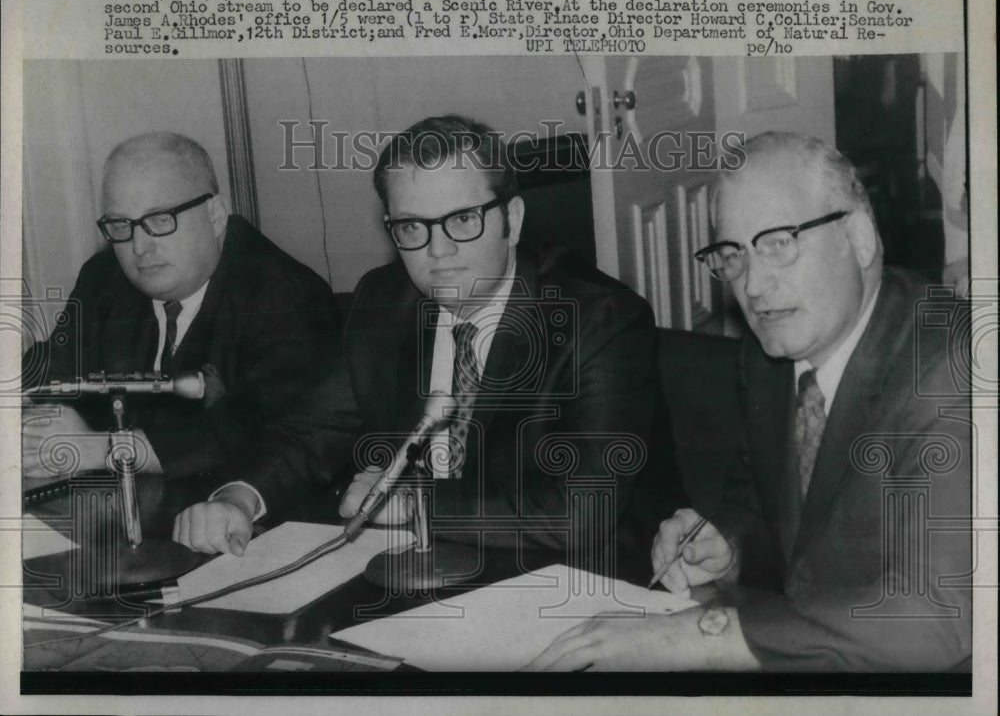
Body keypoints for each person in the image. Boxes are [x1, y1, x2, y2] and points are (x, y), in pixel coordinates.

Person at [527, 132, 972, 672]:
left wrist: (703, 634)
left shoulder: (951, 368)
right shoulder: (767, 361)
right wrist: (725, 546)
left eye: (780, 242)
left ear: (858, 236)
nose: (754, 285)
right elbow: (773, 520)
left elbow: (935, 617)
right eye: (733, 254)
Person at [173, 115, 682, 573]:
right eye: (412, 227)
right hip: (420, 571)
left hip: (575, 579)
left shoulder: (599, 318)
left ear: (514, 220)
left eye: (463, 220)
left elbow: (582, 508)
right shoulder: (383, 301)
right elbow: (310, 429)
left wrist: (414, 502)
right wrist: (238, 498)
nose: (438, 251)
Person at [22, 132, 342, 481]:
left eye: (160, 220)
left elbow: (258, 431)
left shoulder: (289, 297)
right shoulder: (104, 279)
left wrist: (107, 448)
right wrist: (37, 415)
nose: (140, 246)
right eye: (120, 225)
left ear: (216, 215)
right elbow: (51, 370)